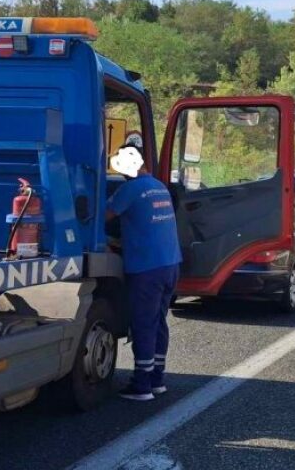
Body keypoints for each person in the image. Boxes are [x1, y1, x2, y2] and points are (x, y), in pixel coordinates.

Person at [105, 144, 182, 402]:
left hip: (146, 268)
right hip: (170, 264)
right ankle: (157, 378)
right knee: (159, 321)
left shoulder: (129, 189)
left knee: (143, 323)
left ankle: (141, 385)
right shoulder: (160, 187)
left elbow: (100, 216)